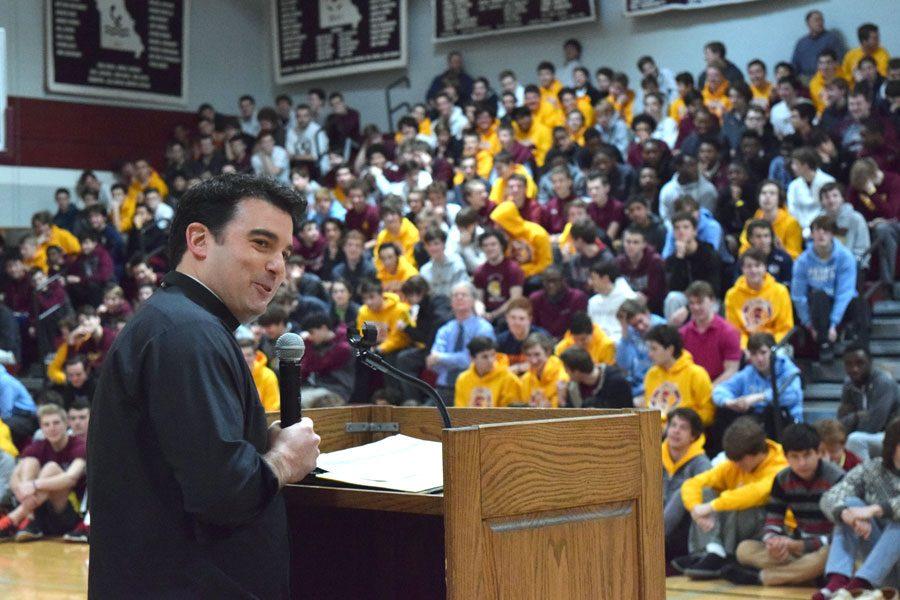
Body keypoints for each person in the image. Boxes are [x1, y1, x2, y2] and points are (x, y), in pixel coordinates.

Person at [88, 175, 321, 597]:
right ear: (199, 240)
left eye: (284, 252)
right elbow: (223, 495)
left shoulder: (174, 323)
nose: (279, 267)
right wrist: (285, 460)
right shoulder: (188, 332)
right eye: (261, 243)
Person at [726, 423, 844, 587]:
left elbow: (842, 534)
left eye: (807, 455)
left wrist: (803, 545)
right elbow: (773, 520)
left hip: (826, 546)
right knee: (744, 549)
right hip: (797, 548)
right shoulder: (782, 479)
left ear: (818, 452)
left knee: (828, 555)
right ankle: (806, 575)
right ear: (786, 457)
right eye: (795, 457)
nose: (802, 463)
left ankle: (764, 577)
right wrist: (773, 541)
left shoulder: (837, 479)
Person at [675, 417, 788, 580]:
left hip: (774, 527)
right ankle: (711, 551)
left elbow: (755, 493)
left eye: (738, 460)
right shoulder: (737, 461)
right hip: (738, 528)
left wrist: (711, 506)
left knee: (739, 500)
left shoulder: (780, 465)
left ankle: (722, 555)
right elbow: (693, 483)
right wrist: (694, 509)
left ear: (754, 454)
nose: (735, 464)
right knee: (706, 491)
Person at [815, 418, 900, 600]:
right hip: (880, 566)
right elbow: (830, 496)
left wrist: (874, 510)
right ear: (893, 446)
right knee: (850, 504)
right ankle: (837, 583)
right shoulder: (873, 469)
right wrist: (848, 515)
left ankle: (860, 586)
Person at [0, 404, 86, 542]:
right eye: (46, 424)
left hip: (67, 514)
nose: (52, 428)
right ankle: (31, 520)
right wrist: (23, 489)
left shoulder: (79, 445)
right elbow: (14, 478)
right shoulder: (38, 446)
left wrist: (34, 485)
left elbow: (71, 478)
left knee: (51, 468)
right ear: (41, 427)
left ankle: (15, 518)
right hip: (39, 510)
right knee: (29, 462)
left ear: (66, 424)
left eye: (56, 423)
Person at [791, 215, 864, 362]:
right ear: (812, 234)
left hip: (840, 306)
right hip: (818, 307)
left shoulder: (845, 257)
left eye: (826, 230)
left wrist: (834, 324)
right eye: (817, 230)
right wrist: (809, 325)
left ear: (832, 234)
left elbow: (845, 292)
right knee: (819, 296)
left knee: (859, 302)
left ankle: (860, 346)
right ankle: (824, 345)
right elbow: (798, 296)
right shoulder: (802, 261)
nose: (821, 234)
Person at [713, 332, 804, 434]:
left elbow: (792, 395)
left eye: (763, 352)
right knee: (724, 412)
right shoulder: (749, 372)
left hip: (788, 423)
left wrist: (759, 397)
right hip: (758, 423)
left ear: (773, 352)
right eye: (754, 354)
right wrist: (730, 402)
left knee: (770, 412)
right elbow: (720, 390)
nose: (759, 359)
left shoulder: (788, 370)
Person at [427, 282, 494, 404]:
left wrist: (442, 358)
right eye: (455, 295)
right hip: (444, 387)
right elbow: (433, 363)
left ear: (474, 300)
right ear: (450, 302)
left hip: (473, 388)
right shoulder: (445, 330)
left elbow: (473, 360)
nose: (459, 298)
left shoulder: (484, 328)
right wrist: (452, 359)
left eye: (464, 295)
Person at [662, 408, 713, 563]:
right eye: (673, 425)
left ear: (693, 436)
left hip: (686, 531)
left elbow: (707, 499)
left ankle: (651, 539)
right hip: (655, 522)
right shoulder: (652, 454)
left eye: (683, 428)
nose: (676, 431)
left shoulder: (701, 463)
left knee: (684, 490)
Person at [642, 324, 715, 426]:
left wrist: (680, 426)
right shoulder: (651, 374)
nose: (650, 354)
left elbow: (708, 413)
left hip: (685, 433)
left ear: (670, 349)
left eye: (654, 349)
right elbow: (648, 409)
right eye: (649, 349)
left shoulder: (696, 374)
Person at [839, 344, 900, 461]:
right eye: (849, 364)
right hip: (872, 437)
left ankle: (867, 478)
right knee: (830, 440)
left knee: (854, 440)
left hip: (893, 437)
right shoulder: (848, 385)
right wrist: (857, 416)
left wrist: (853, 421)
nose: (854, 368)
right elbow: (841, 422)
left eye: (860, 363)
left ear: (870, 363)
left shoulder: (884, 383)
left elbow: (874, 424)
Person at [724, 249, 794, 348]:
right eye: (749, 266)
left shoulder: (780, 291)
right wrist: (748, 349)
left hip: (775, 346)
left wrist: (770, 348)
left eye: (757, 265)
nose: (753, 270)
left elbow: (784, 328)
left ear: (765, 267)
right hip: (746, 349)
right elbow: (735, 330)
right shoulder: (732, 295)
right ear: (742, 269)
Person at [679, 281, 742, 385]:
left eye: (700, 302)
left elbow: (731, 371)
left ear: (712, 301)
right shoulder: (682, 334)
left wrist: (708, 391)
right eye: (692, 303)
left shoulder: (728, 332)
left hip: (719, 389)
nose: (695, 307)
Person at [739, 179, 804, 260]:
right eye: (763, 193)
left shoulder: (791, 223)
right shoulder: (750, 223)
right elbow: (742, 252)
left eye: (772, 193)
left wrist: (781, 249)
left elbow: (796, 257)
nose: (767, 196)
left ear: (779, 198)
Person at [453, 337, 523, 408]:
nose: (491, 360)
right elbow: (460, 409)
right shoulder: (463, 379)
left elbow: (511, 412)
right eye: (484, 357)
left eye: (493, 355)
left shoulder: (509, 378)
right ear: (472, 358)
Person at [473, 229, 524, 325]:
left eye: (493, 244)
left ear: (501, 246)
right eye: (485, 245)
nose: (489, 248)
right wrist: (482, 313)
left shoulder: (513, 268)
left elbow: (515, 299)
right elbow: (478, 299)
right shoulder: (479, 271)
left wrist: (493, 315)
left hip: (508, 315)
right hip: (486, 314)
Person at [558, 346, 631, 409]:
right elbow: (570, 420)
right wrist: (562, 401)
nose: (566, 372)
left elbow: (628, 412)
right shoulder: (573, 388)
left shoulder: (617, 381)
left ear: (576, 372)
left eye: (566, 369)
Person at [616, 226, 666, 315]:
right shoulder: (619, 262)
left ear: (644, 244)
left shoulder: (655, 262)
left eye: (636, 242)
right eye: (628, 242)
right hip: (626, 307)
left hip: (653, 310)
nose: (631, 246)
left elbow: (657, 295)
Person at [786, 147, 836, 237]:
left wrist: (813, 228)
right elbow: (792, 209)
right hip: (799, 228)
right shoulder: (793, 185)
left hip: (823, 227)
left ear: (806, 165)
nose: (792, 167)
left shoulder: (828, 181)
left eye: (795, 164)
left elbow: (829, 208)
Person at [528, 266, 588, 339]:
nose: (551, 285)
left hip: (569, 342)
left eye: (555, 281)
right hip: (543, 343)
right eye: (547, 281)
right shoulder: (535, 299)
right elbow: (533, 327)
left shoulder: (577, 298)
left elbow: (580, 328)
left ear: (563, 280)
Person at [819, 182, 870, 262]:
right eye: (826, 197)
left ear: (842, 198)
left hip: (852, 266)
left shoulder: (856, 218)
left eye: (835, 196)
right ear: (822, 202)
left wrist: (849, 265)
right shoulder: (818, 221)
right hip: (825, 268)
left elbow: (863, 249)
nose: (831, 200)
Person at [587, 260, 636, 343]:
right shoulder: (593, 302)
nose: (590, 283)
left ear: (605, 279)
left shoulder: (628, 298)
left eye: (593, 278)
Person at [791, 10, 846, 80]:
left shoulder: (832, 38)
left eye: (821, 20)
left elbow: (841, 60)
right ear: (808, 23)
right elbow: (794, 66)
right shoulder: (801, 43)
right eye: (816, 20)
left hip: (826, 77)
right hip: (805, 79)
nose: (820, 23)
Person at [519, 333, 568, 408]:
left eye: (537, 354)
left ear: (547, 352)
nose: (533, 360)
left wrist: (549, 407)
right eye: (529, 355)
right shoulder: (525, 380)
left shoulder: (562, 376)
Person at [418, 227, 468, 298]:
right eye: (429, 245)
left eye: (436, 244)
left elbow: (463, 290)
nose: (433, 248)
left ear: (444, 245)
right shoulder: (424, 270)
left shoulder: (456, 263)